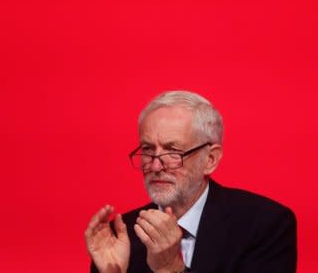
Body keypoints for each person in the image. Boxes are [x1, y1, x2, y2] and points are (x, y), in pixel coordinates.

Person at [85, 91, 297, 273]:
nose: (156, 166)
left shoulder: (264, 225)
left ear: (210, 160)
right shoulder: (122, 234)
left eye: (173, 151)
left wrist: (172, 268)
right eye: (148, 149)